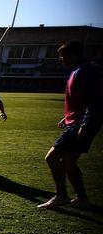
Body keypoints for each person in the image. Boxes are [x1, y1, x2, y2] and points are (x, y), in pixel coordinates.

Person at [37, 40, 101, 210]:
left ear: (74, 55)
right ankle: (82, 198)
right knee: (69, 162)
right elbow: (79, 100)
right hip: (76, 122)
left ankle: (61, 196)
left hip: (80, 125)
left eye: (63, 56)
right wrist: (67, 117)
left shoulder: (86, 71)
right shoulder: (79, 70)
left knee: (52, 158)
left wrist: (85, 123)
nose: (61, 59)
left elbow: (95, 100)